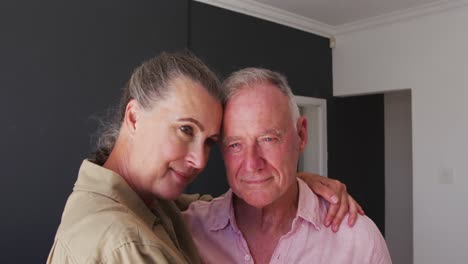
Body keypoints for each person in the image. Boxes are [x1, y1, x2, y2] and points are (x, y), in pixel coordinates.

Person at [47, 52, 362, 263]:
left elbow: (218, 207)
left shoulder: (151, 205)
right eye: (185, 129)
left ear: (301, 136)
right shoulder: (126, 242)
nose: (199, 160)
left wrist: (290, 181)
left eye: (211, 141)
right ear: (134, 117)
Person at [182, 68, 392, 263]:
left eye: (268, 139)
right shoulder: (186, 230)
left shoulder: (358, 241)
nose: (252, 164)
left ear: (301, 134)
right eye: (235, 144)